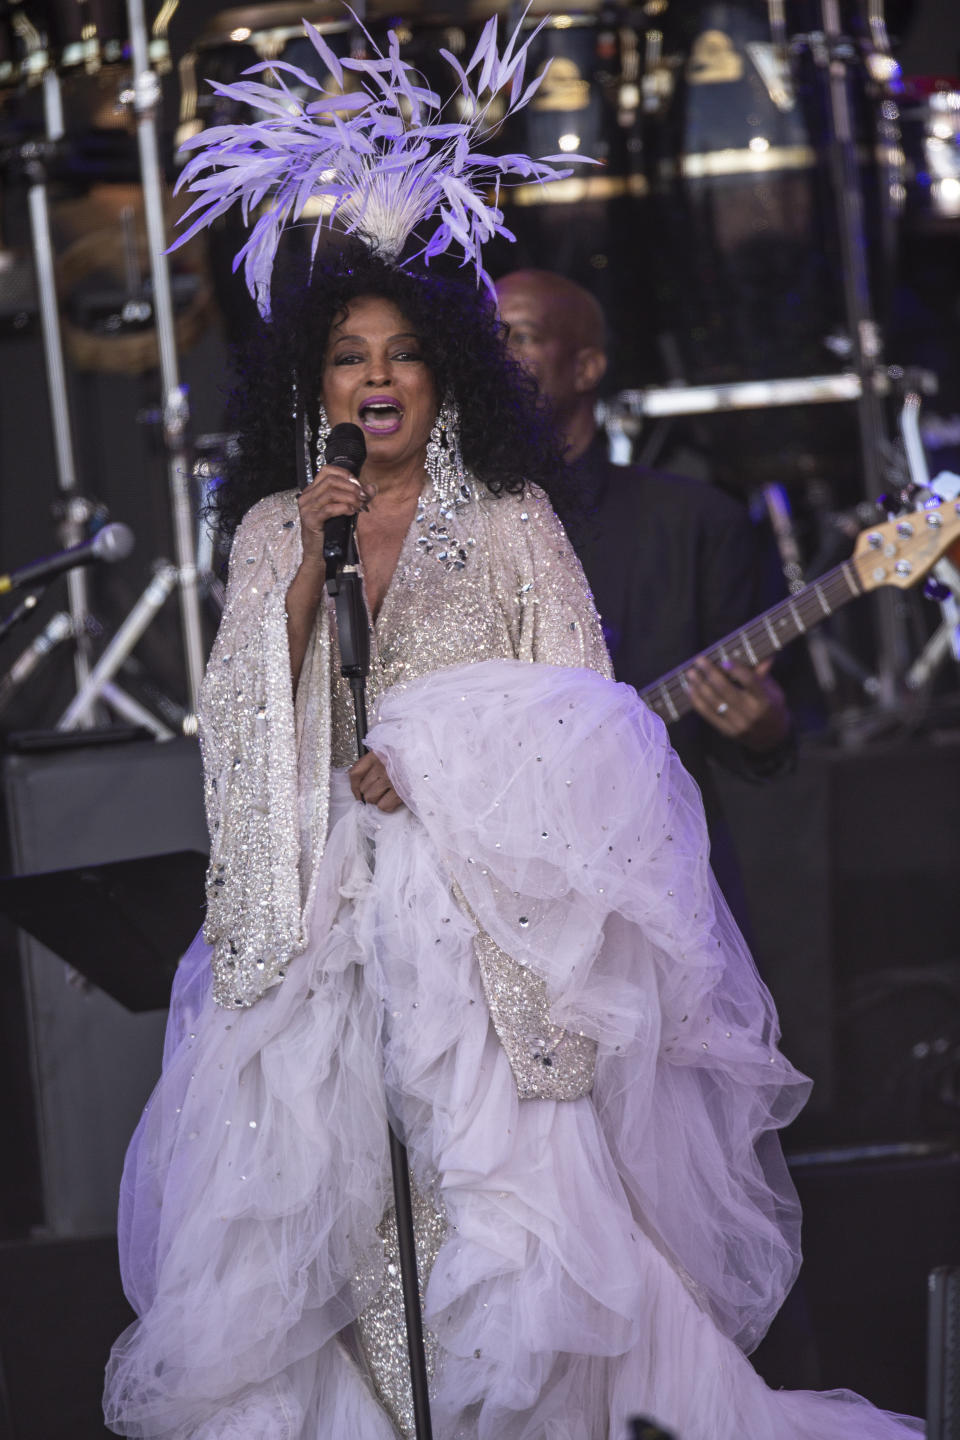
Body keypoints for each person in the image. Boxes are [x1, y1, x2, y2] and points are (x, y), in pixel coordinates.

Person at [104, 23, 921, 1440]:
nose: (378, 379)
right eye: (349, 357)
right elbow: (242, 727)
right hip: (326, 950)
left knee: (514, 1265)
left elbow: (598, 735)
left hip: (491, 961)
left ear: (451, 374)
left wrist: (432, 758)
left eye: (407, 355)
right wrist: (312, 563)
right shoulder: (271, 536)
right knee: (339, 1272)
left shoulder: (516, 522)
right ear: (313, 380)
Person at [495, 269, 796, 919]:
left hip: (653, 888)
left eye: (518, 335)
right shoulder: (441, 528)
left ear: (586, 367)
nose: (496, 356)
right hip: (498, 892)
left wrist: (763, 728)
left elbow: (758, 743)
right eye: (483, 338)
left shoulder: (693, 521)